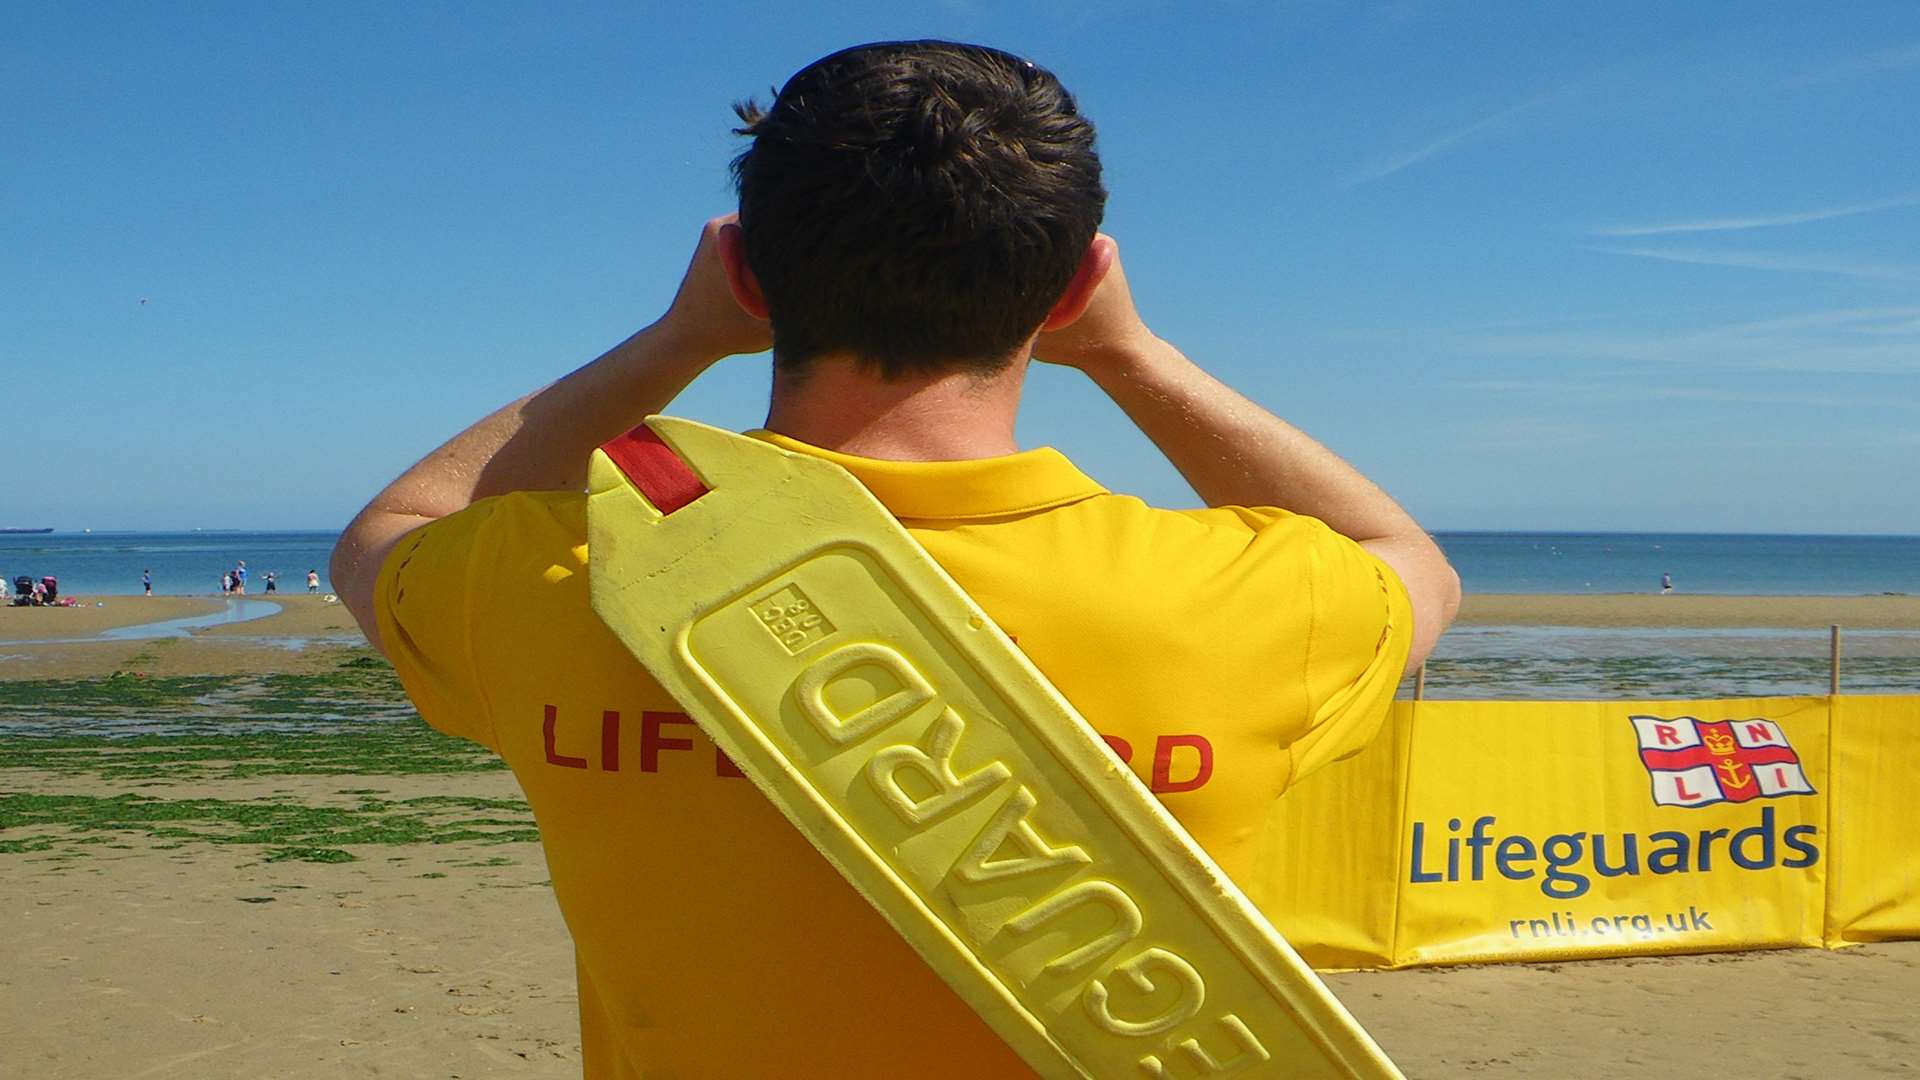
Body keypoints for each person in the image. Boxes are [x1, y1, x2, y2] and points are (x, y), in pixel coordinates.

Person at [333, 41, 1459, 1077]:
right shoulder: (1250, 601)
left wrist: (678, 340)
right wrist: (1134, 358)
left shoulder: (563, 574)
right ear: (1073, 288)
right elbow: (1408, 558)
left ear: (750, 281)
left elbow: (390, 532)